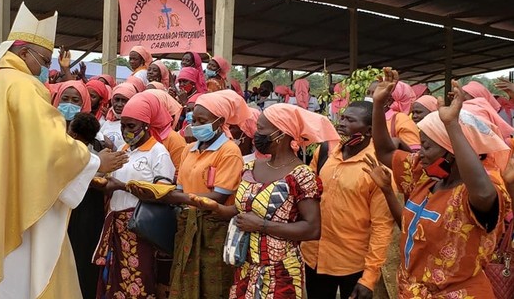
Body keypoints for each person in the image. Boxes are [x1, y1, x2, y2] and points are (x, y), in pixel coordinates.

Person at [0, 3, 127, 298]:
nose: (44, 68)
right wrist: (96, 161)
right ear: (23, 53)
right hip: (8, 206)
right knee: (18, 277)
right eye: (43, 59)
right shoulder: (20, 85)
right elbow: (50, 147)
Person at [369, 68, 511, 298]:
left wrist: (451, 125)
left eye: (426, 146)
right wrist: (378, 104)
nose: (419, 152)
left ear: (451, 151)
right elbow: (385, 152)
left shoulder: (477, 190)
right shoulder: (426, 175)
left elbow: (485, 196)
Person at [193, 104, 338, 299]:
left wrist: (263, 226)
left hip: (280, 271)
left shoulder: (301, 175)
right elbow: (241, 211)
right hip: (244, 264)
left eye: (261, 129)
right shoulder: (251, 167)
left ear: (281, 134)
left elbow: (312, 229)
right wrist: (215, 207)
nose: (255, 134)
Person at [129, 90, 249, 299]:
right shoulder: (190, 149)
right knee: (183, 279)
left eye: (203, 120)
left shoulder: (229, 151)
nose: (196, 124)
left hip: (213, 229)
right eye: (194, 118)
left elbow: (218, 198)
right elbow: (181, 187)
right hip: (186, 225)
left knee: (212, 284)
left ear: (219, 121)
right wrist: (158, 191)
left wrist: (174, 198)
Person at [302, 101, 394, 299]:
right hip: (313, 257)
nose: (341, 123)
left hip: (352, 264)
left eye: (350, 120)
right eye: (342, 117)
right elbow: (306, 192)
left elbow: (382, 226)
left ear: (369, 130)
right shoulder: (325, 151)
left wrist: (369, 278)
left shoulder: (378, 167)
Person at [93, 92, 175, 299]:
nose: (125, 131)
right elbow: (110, 180)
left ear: (147, 125)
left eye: (131, 126)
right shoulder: (124, 149)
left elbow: (161, 194)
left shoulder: (158, 153)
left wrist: (121, 186)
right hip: (116, 224)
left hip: (139, 228)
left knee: (139, 278)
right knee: (113, 279)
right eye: (123, 125)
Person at [66, 112, 108, 299]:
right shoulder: (100, 153)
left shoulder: (68, 153)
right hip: (93, 214)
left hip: (75, 213)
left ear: (73, 133)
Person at [366, 80, 420, 151]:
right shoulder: (364, 116)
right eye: (368, 93)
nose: (369, 97)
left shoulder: (401, 119)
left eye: (375, 93)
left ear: (389, 100)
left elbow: (414, 153)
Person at [101, 83, 140, 150]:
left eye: (124, 100)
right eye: (117, 99)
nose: (119, 104)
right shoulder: (108, 122)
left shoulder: (136, 125)